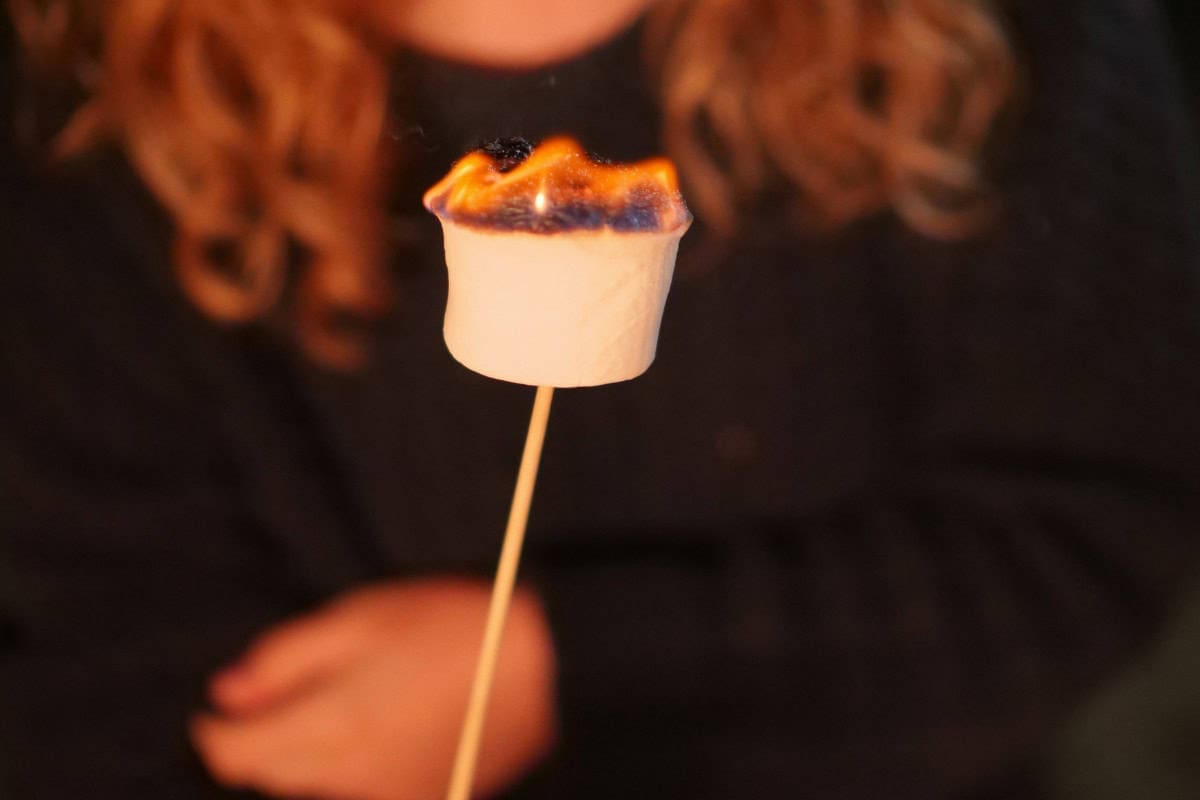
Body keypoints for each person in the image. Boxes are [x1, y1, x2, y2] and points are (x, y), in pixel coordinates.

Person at [2, 0, 1198, 798]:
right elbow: (90, 654)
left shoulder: (1020, 37)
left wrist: (562, 663)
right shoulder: (83, 89)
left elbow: (1087, 531)